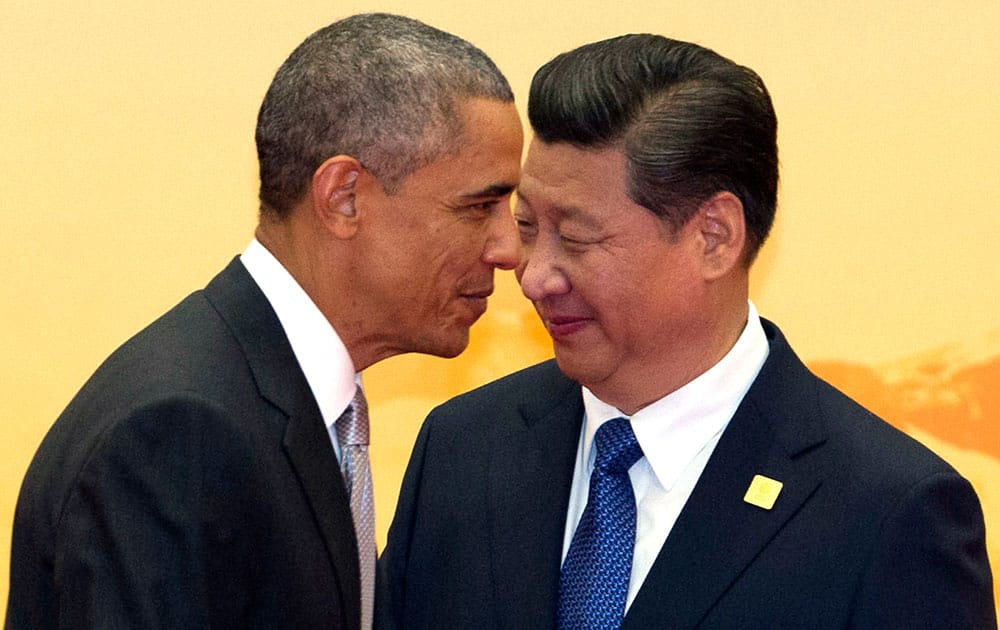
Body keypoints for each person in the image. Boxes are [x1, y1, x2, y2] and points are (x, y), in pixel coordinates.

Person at [377, 34, 996, 629]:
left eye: (579, 237)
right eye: (530, 226)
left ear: (714, 237)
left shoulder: (887, 513)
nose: (534, 276)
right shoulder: (463, 450)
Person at [7, 13, 522, 630]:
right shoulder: (177, 433)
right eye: (480, 207)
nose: (507, 249)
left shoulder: (271, 400)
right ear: (344, 197)